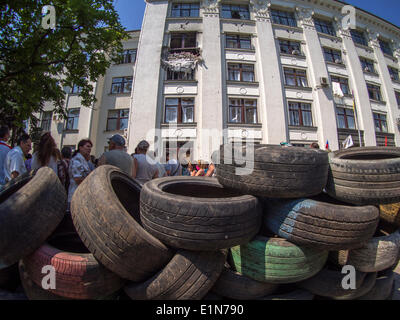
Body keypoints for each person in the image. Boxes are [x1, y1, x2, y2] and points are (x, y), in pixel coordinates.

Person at [68, 139, 93, 208]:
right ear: (80, 147)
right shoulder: (77, 160)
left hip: (81, 195)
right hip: (75, 195)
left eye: (90, 147)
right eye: (87, 146)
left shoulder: (83, 160)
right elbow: (77, 179)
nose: (89, 149)